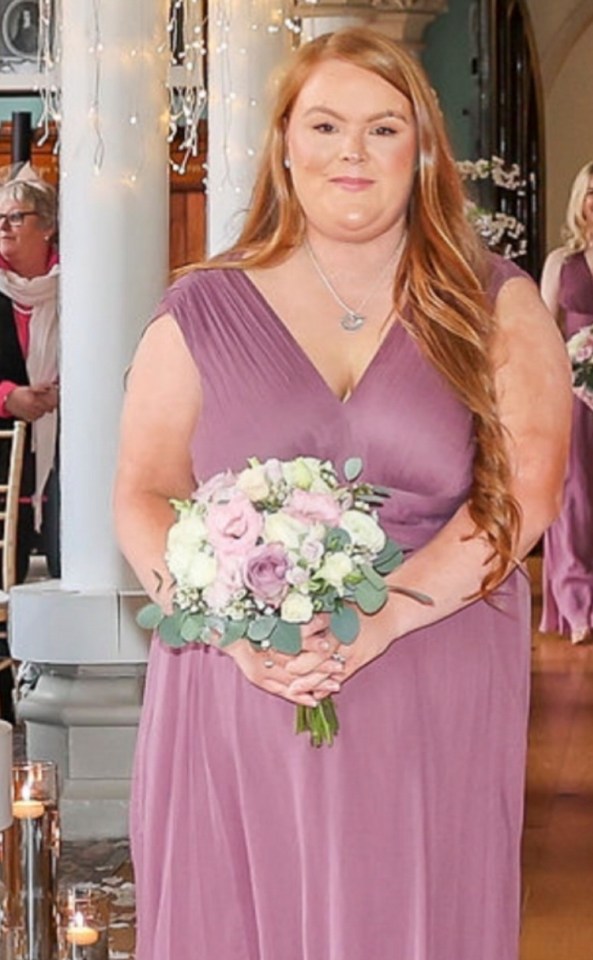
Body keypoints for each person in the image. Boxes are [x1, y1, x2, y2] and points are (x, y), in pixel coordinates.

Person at [114, 27, 571, 960]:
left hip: (430, 665)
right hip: (244, 682)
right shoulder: (201, 307)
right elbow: (145, 492)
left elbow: (527, 490)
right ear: (284, 143)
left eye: (382, 128)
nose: (351, 152)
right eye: (324, 125)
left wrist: (386, 619)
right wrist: (233, 632)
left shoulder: (494, 303)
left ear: (424, 150)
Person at [538, 162, 593, 644]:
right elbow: (542, 330)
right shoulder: (561, 262)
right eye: (591, 193)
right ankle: (579, 609)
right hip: (574, 398)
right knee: (574, 500)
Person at [0, 164, 60, 586]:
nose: (4, 225)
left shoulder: (84, 287)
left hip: (66, 456)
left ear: (48, 227)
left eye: (17, 216)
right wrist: (8, 397)